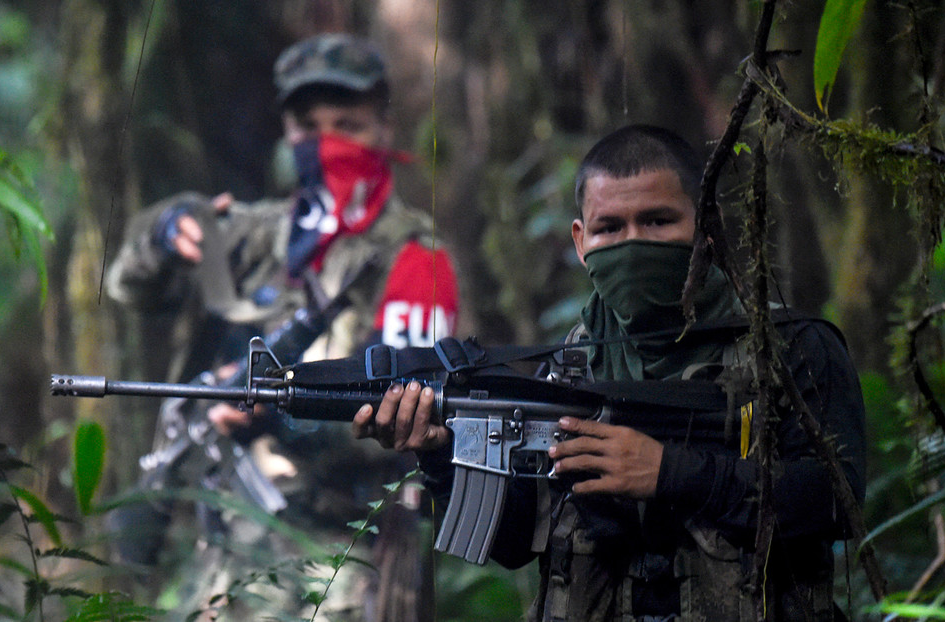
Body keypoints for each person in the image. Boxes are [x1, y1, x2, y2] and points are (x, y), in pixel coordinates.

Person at [352, 124, 867, 621]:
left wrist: (669, 473)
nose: (632, 243)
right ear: (581, 241)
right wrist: (441, 455)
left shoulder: (793, 347)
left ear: (706, 227)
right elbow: (513, 544)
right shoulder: (563, 373)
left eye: (658, 221)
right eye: (609, 228)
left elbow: (835, 501)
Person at [107, 32, 458, 622]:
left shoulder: (415, 255)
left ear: (384, 126)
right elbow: (129, 285)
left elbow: (412, 415)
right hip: (223, 559)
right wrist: (165, 230)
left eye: (347, 122)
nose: (326, 143)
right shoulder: (257, 233)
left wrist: (283, 417)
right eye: (307, 127)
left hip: (345, 566)